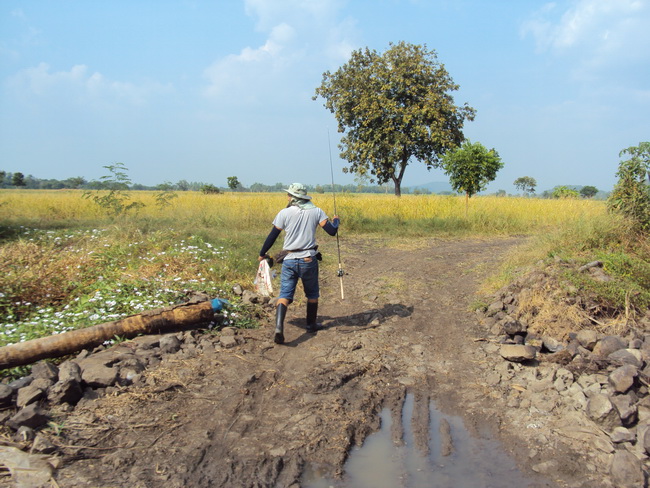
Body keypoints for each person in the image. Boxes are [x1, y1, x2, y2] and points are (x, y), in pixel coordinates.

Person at [259, 183, 339, 344]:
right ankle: (311, 325)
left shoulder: (284, 213)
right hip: (308, 259)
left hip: (289, 260)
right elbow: (331, 231)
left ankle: (279, 327)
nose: (287, 197)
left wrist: (262, 254)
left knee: (284, 295)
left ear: (293, 197)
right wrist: (336, 221)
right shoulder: (317, 211)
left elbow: (273, 235)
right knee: (312, 294)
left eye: (289, 195)